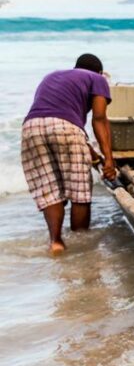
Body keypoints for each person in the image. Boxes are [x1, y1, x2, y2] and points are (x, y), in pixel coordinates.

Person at [21, 53, 117, 255]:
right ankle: (81, 246)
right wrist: (109, 159)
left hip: (31, 128)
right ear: (99, 72)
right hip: (66, 128)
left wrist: (91, 152)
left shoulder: (52, 76)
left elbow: (57, 116)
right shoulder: (98, 79)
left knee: (50, 190)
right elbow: (99, 119)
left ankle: (56, 241)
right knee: (79, 192)